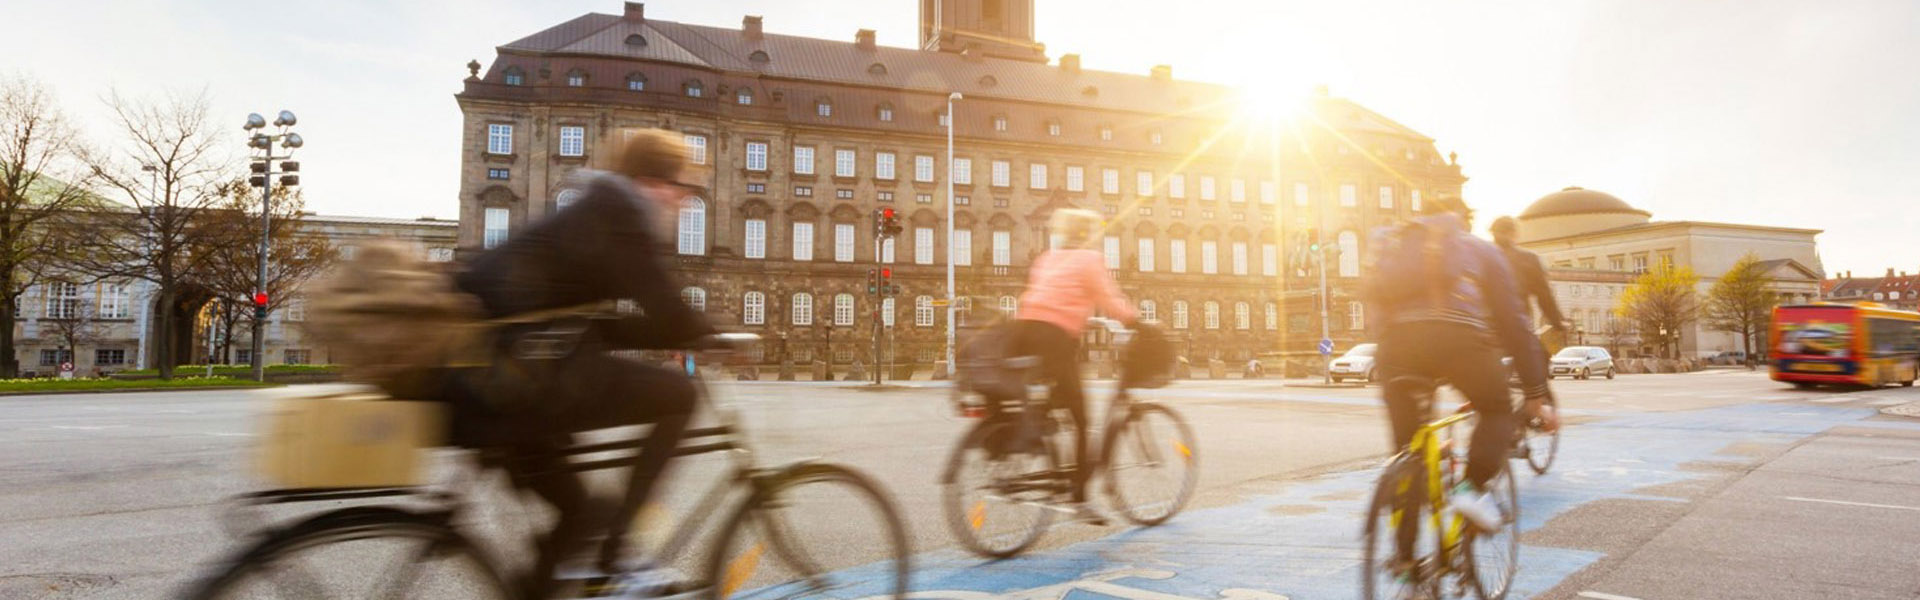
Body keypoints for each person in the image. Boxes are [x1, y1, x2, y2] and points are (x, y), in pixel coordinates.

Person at [441, 129, 715, 599]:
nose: (685, 199)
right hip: (513, 383)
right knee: (679, 395)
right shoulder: (621, 213)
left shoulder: (597, 209)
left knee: (579, 515)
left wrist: (679, 332)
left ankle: (555, 579)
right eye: (679, 185)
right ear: (651, 180)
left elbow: (600, 327)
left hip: (493, 380)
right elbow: (664, 309)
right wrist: (707, 331)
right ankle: (615, 556)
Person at [1363, 195, 1553, 544]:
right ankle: (1472, 488)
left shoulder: (1397, 246)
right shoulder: (1479, 249)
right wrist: (1535, 392)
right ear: (1461, 219)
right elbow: (1514, 323)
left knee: (1410, 450)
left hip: (1397, 347)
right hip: (1459, 341)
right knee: (1496, 408)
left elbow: (1375, 306)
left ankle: (1406, 566)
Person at [1013, 208, 1137, 523]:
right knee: (1081, 419)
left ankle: (1036, 437)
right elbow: (1110, 301)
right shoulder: (1089, 260)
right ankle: (1080, 499)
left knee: (1049, 403)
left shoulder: (1046, 258)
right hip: (1055, 340)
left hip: (1024, 333)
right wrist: (1139, 321)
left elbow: (1040, 299)